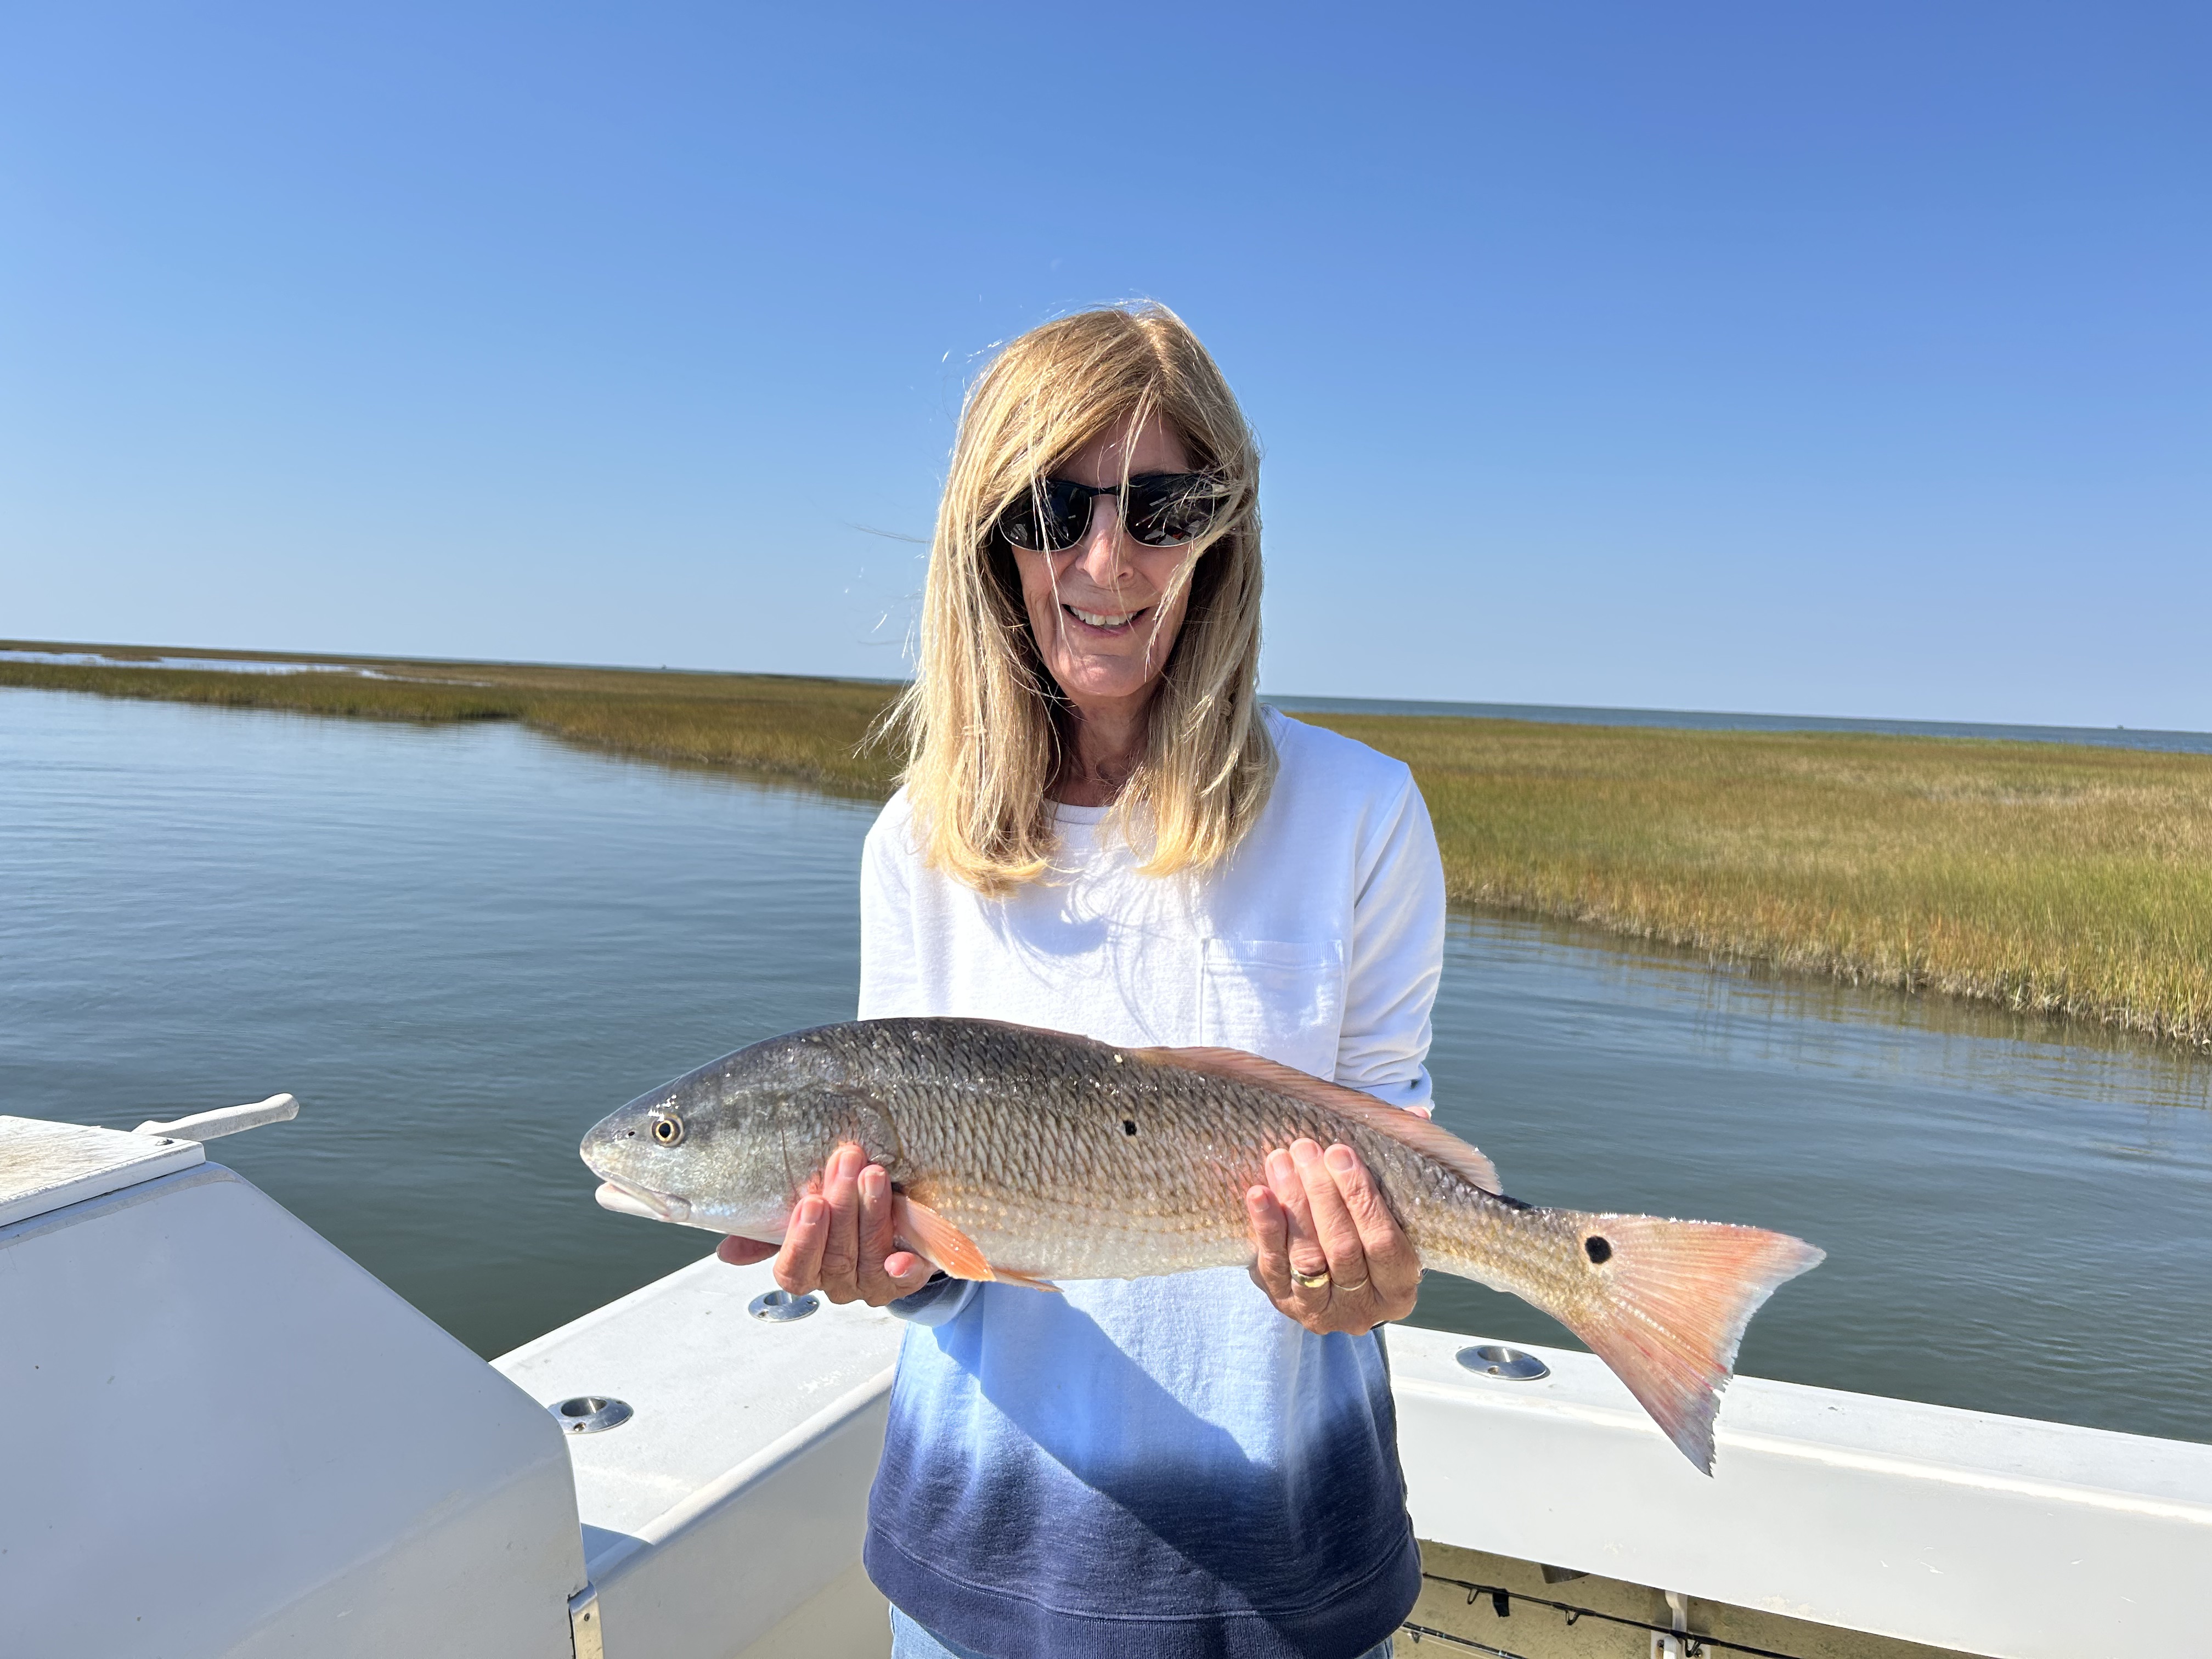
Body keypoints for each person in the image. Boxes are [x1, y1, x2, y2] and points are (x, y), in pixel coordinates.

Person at [718, 303, 1446, 1659]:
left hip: (1288, 1582)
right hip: (975, 1576)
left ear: (1224, 532)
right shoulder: (914, 845)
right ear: (986, 535)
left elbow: (1394, 1178)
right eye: (1052, 509)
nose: (1107, 561)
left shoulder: (1364, 813)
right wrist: (888, 1268)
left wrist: (1369, 1278)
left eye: (1164, 509)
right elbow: (944, 1258)